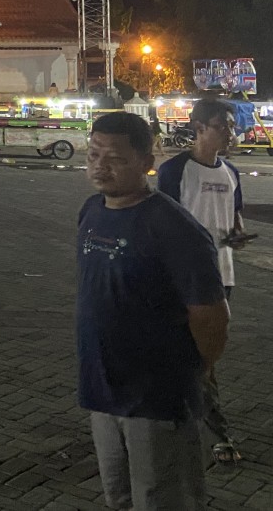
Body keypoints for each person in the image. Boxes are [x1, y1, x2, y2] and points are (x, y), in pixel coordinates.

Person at [78, 112, 229, 511]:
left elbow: (211, 316)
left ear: (147, 161)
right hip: (103, 389)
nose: (99, 165)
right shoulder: (92, 211)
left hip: (157, 398)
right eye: (94, 154)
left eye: (115, 158)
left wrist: (191, 372)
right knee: (121, 498)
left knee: (164, 500)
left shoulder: (173, 227)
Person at [157, 98, 247, 465]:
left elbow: (235, 222)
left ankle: (173, 420)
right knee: (196, 360)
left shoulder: (231, 173)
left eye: (230, 125)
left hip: (221, 277)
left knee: (203, 357)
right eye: (222, 125)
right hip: (181, 279)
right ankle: (217, 433)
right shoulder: (175, 171)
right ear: (198, 129)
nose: (230, 132)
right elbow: (159, 225)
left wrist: (236, 237)